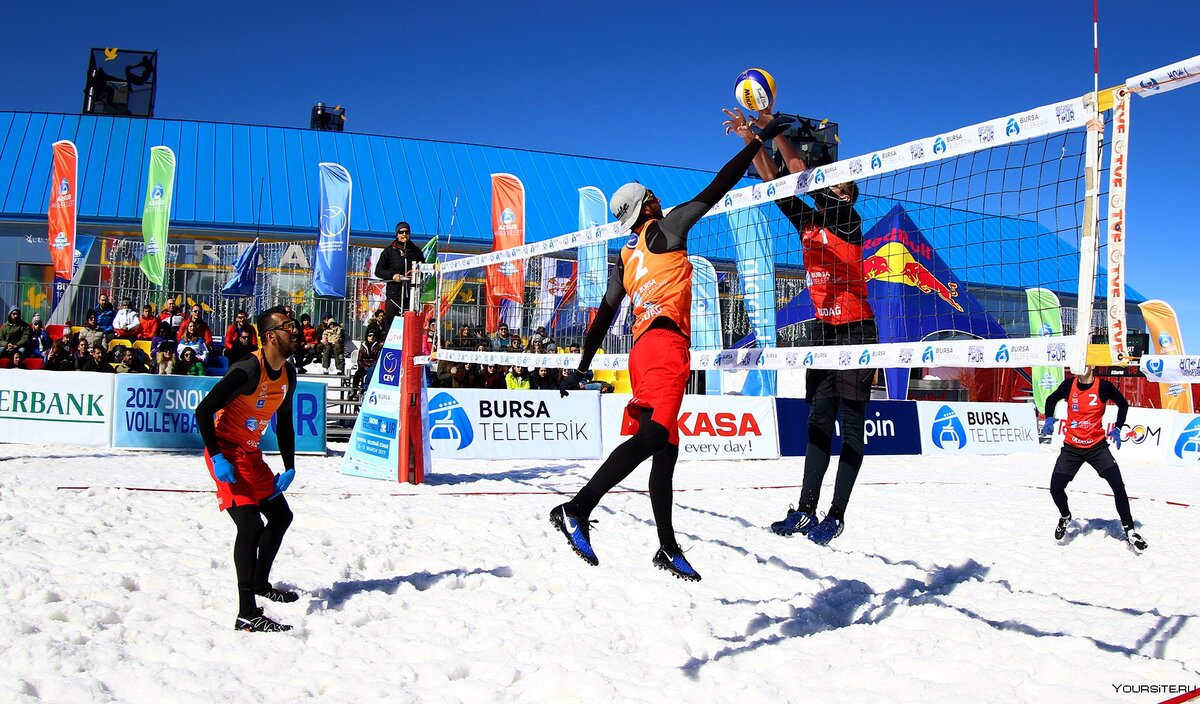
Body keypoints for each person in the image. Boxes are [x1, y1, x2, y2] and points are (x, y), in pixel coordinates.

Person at [549, 114, 792, 581]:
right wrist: (759, 139)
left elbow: (603, 316)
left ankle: (667, 547)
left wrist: (582, 365)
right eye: (652, 196)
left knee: (666, 452)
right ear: (645, 206)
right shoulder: (666, 229)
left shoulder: (625, 255)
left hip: (642, 350)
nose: (659, 197)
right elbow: (720, 185)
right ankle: (577, 508)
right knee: (655, 438)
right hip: (664, 347)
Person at [734, 106, 876, 546]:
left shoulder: (847, 220)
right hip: (823, 330)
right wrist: (752, 138)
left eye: (838, 181)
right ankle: (805, 510)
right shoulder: (807, 220)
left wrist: (775, 131)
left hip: (856, 331)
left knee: (850, 428)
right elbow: (775, 183)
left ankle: (835, 515)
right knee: (818, 424)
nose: (831, 182)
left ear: (847, 193)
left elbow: (798, 172)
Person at [194, 305, 300, 632]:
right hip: (226, 452)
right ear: (270, 336)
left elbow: (284, 424)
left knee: (281, 516)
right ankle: (246, 613)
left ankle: (260, 583)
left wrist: (290, 466)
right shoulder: (248, 369)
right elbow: (203, 411)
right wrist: (218, 457)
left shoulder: (288, 373)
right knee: (251, 526)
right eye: (288, 326)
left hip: (251, 455)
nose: (294, 331)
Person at [1042, 366, 1147, 552]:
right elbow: (1051, 399)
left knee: (1117, 484)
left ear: (1090, 367)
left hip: (1096, 447)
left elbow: (1123, 403)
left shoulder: (1103, 387)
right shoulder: (1069, 385)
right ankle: (1065, 516)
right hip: (1072, 448)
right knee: (1055, 488)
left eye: (1083, 364)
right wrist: (1049, 418)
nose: (1078, 369)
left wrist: (1117, 427)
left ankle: (1130, 530)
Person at [374, 222, 425, 332]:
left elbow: (424, 269)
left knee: (410, 325)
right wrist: (393, 275)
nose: (404, 235)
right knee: (391, 324)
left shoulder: (416, 251)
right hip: (394, 294)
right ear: (397, 234)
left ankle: (409, 348)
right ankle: (390, 346)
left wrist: (416, 272)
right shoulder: (389, 251)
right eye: (401, 232)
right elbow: (378, 271)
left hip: (412, 294)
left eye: (406, 232)